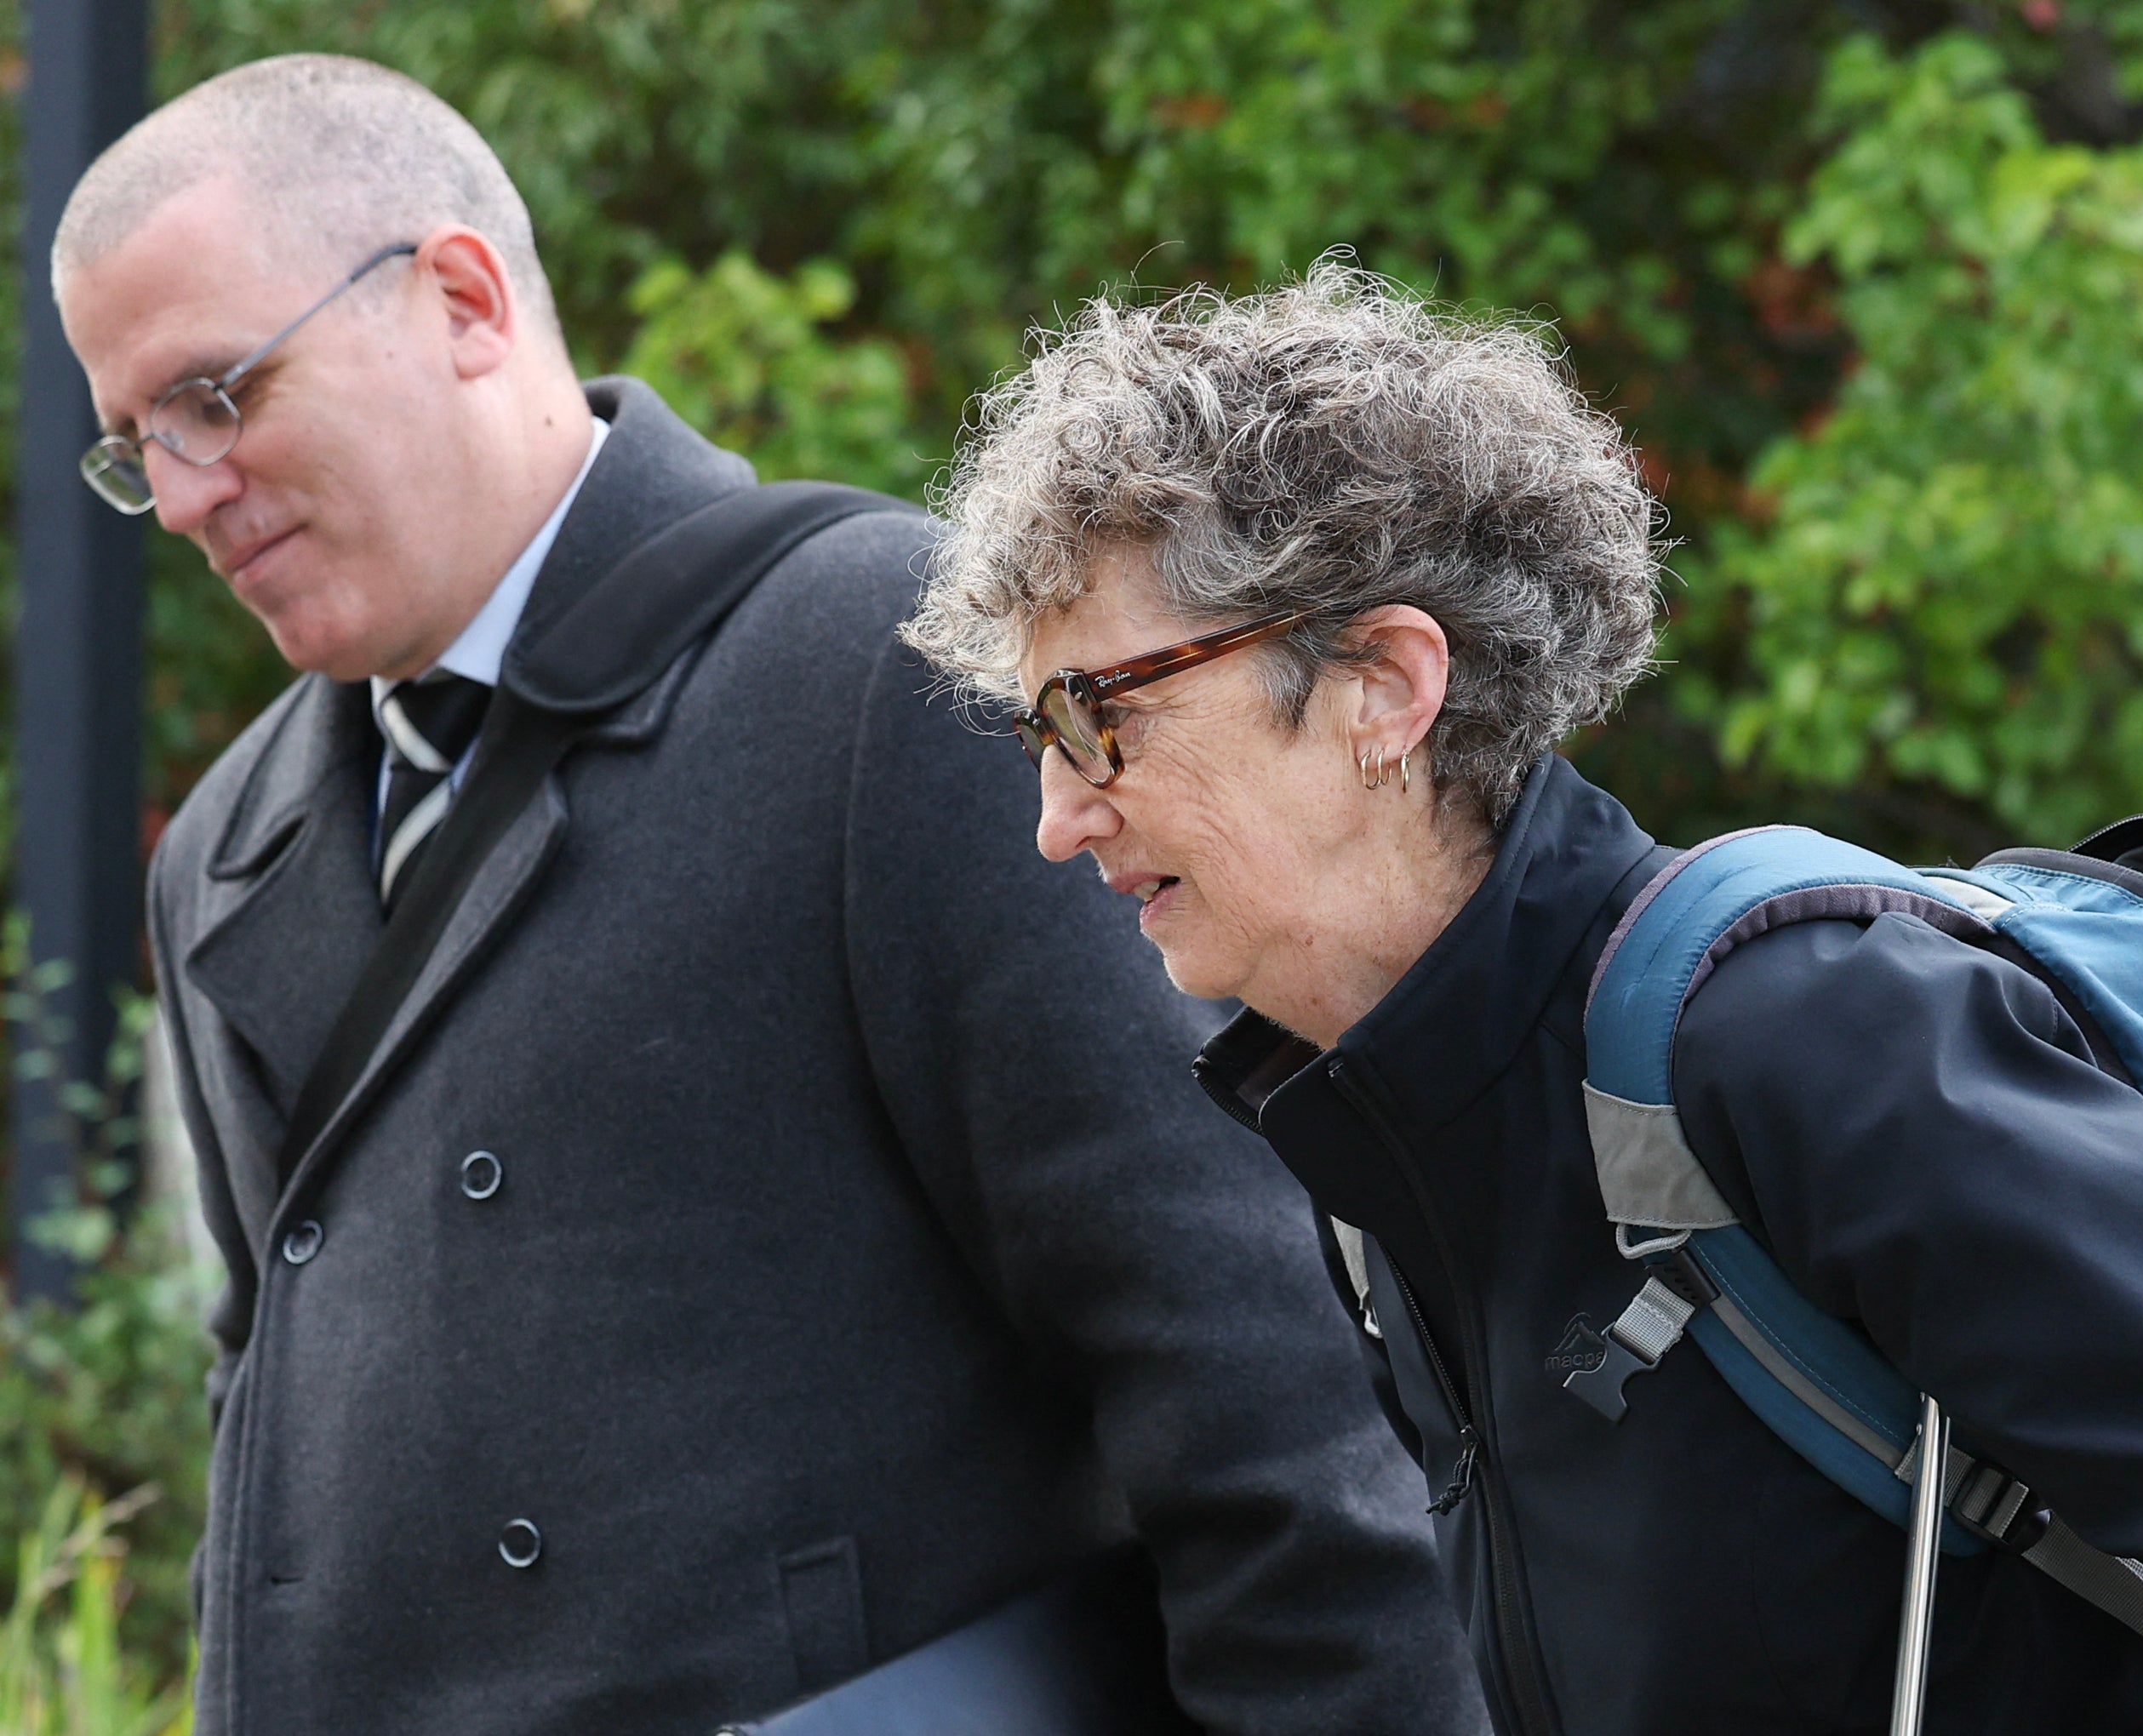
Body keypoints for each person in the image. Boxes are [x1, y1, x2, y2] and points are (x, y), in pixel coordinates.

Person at [53, 55, 1487, 1736]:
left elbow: (1243, 1360)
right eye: (141, 444)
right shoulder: (234, 839)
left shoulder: (881, 665)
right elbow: (274, 1445)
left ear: (457, 295)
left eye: (217, 396)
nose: (189, 493)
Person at [900, 262, 2143, 1734]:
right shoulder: (1385, 1159)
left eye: (1098, 716)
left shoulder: (1802, 1027)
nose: (1059, 814)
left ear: (1387, 684)